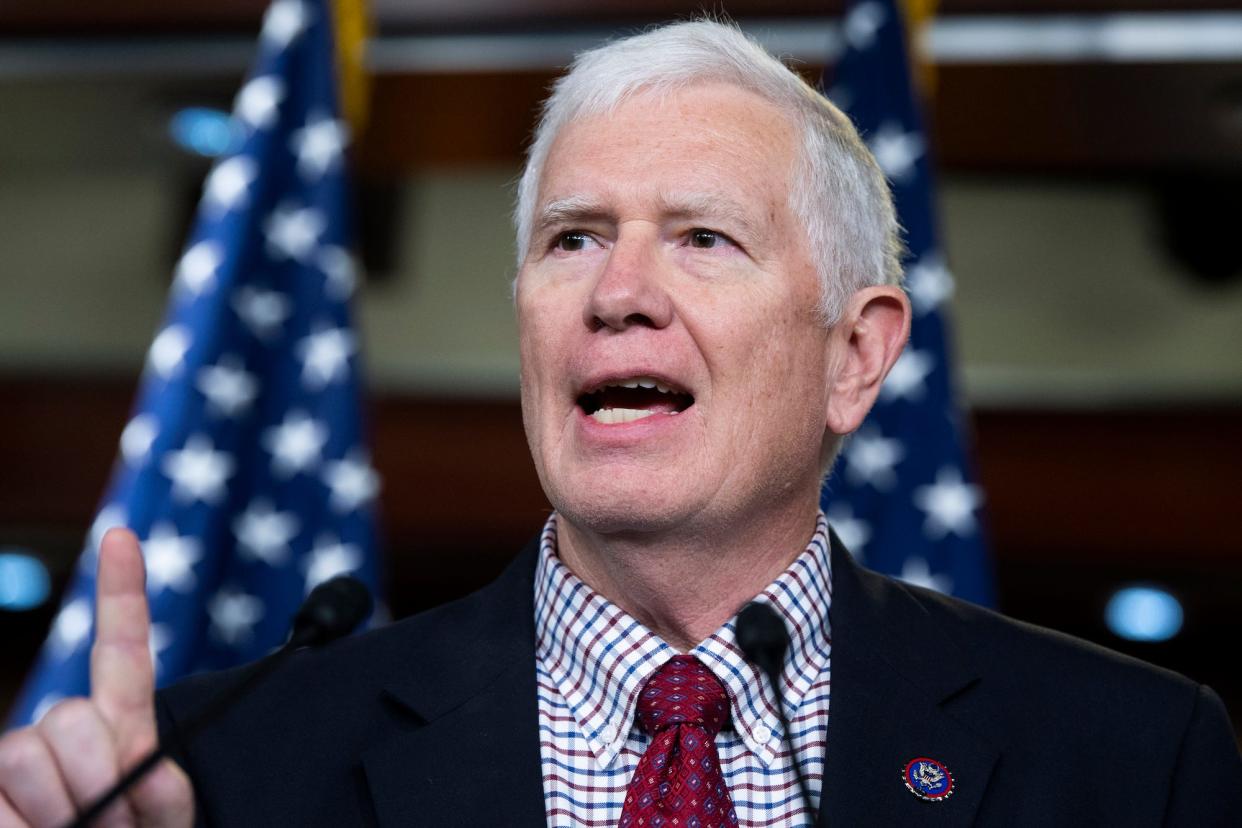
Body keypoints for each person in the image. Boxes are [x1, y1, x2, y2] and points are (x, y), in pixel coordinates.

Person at [2, 19, 1240, 828]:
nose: (618, 292)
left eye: (703, 237)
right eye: (573, 238)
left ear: (855, 355)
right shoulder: (215, 774)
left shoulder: (1131, 760)